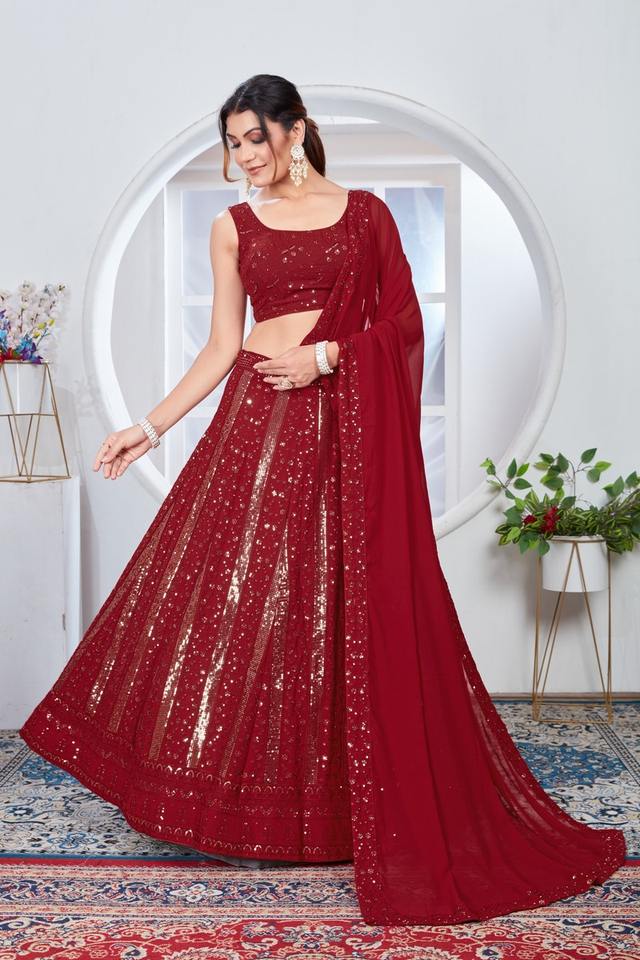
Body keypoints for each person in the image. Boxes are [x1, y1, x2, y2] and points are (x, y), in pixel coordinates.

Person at [20, 74, 626, 926]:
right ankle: (219, 799)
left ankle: (335, 812)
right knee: (229, 604)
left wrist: (330, 356)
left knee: (330, 606)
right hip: (255, 427)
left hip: (342, 428)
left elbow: (405, 325)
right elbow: (221, 347)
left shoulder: (367, 216)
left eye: (255, 139)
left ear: (296, 130)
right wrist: (147, 428)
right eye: (232, 143)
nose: (243, 157)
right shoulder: (231, 228)